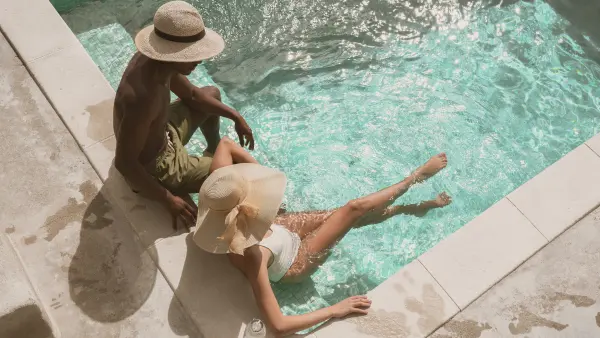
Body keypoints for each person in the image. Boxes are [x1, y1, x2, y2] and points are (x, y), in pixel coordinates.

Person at [192, 140, 451, 337]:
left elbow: (226, 143)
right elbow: (278, 325)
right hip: (293, 262)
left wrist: (262, 182)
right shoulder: (254, 254)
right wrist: (335, 309)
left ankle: (410, 208)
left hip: (276, 230)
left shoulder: (219, 194)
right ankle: (413, 180)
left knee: (347, 216)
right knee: (353, 209)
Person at [113, 1, 255, 229]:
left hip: (164, 132)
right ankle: (201, 172)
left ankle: (213, 149)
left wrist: (235, 116)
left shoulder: (158, 63)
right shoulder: (142, 98)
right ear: (173, 53)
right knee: (236, 177)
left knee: (212, 95)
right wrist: (168, 199)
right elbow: (125, 163)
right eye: (192, 54)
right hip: (160, 165)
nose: (199, 60)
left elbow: (193, 95)